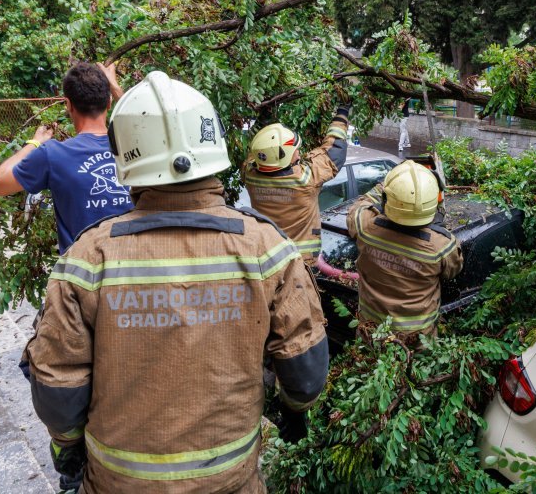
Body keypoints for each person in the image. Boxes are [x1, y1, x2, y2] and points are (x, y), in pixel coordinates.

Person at [26, 71, 329, 493]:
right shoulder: (268, 250)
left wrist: (69, 446)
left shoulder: (86, 260)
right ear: (214, 143)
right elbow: (306, 374)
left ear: (123, 155)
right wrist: (293, 412)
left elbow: (58, 392)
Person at [0, 62, 133, 255]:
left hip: (82, 278)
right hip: (134, 272)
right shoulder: (134, 144)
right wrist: (114, 86)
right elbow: (138, 122)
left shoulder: (51, 153)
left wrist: (34, 143)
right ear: (109, 102)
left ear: (68, 105)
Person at [347, 160, 463, 335]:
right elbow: (454, 271)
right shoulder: (443, 245)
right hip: (417, 344)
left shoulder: (364, 227)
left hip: (371, 335)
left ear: (387, 199)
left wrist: (385, 187)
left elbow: (358, 207)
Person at [241, 106, 349, 266]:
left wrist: (264, 119)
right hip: (301, 261)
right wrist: (342, 113)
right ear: (284, 157)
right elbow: (336, 149)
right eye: (296, 150)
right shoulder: (306, 178)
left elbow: (259, 151)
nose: (299, 152)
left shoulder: (249, 174)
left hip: (266, 255)